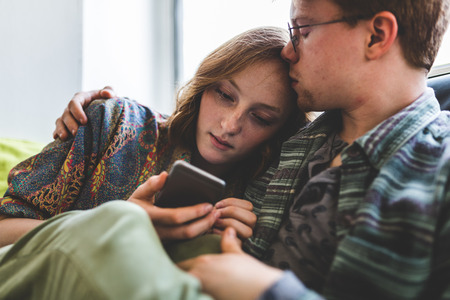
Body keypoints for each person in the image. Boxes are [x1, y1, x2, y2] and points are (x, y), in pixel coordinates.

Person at [50, 0, 450, 299]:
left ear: (376, 36)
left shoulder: (438, 171)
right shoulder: (293, 147)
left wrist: (268, 289)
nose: (289, 51)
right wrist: (108, 112)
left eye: (302, 30)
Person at [0, 27, 307, 298]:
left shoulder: (261, 198)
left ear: (279, 133)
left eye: (260, 117)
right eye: (225, 95)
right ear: (204, 86)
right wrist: (121, 224)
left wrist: (236, 255)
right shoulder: (114, 122)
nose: (230, 125)